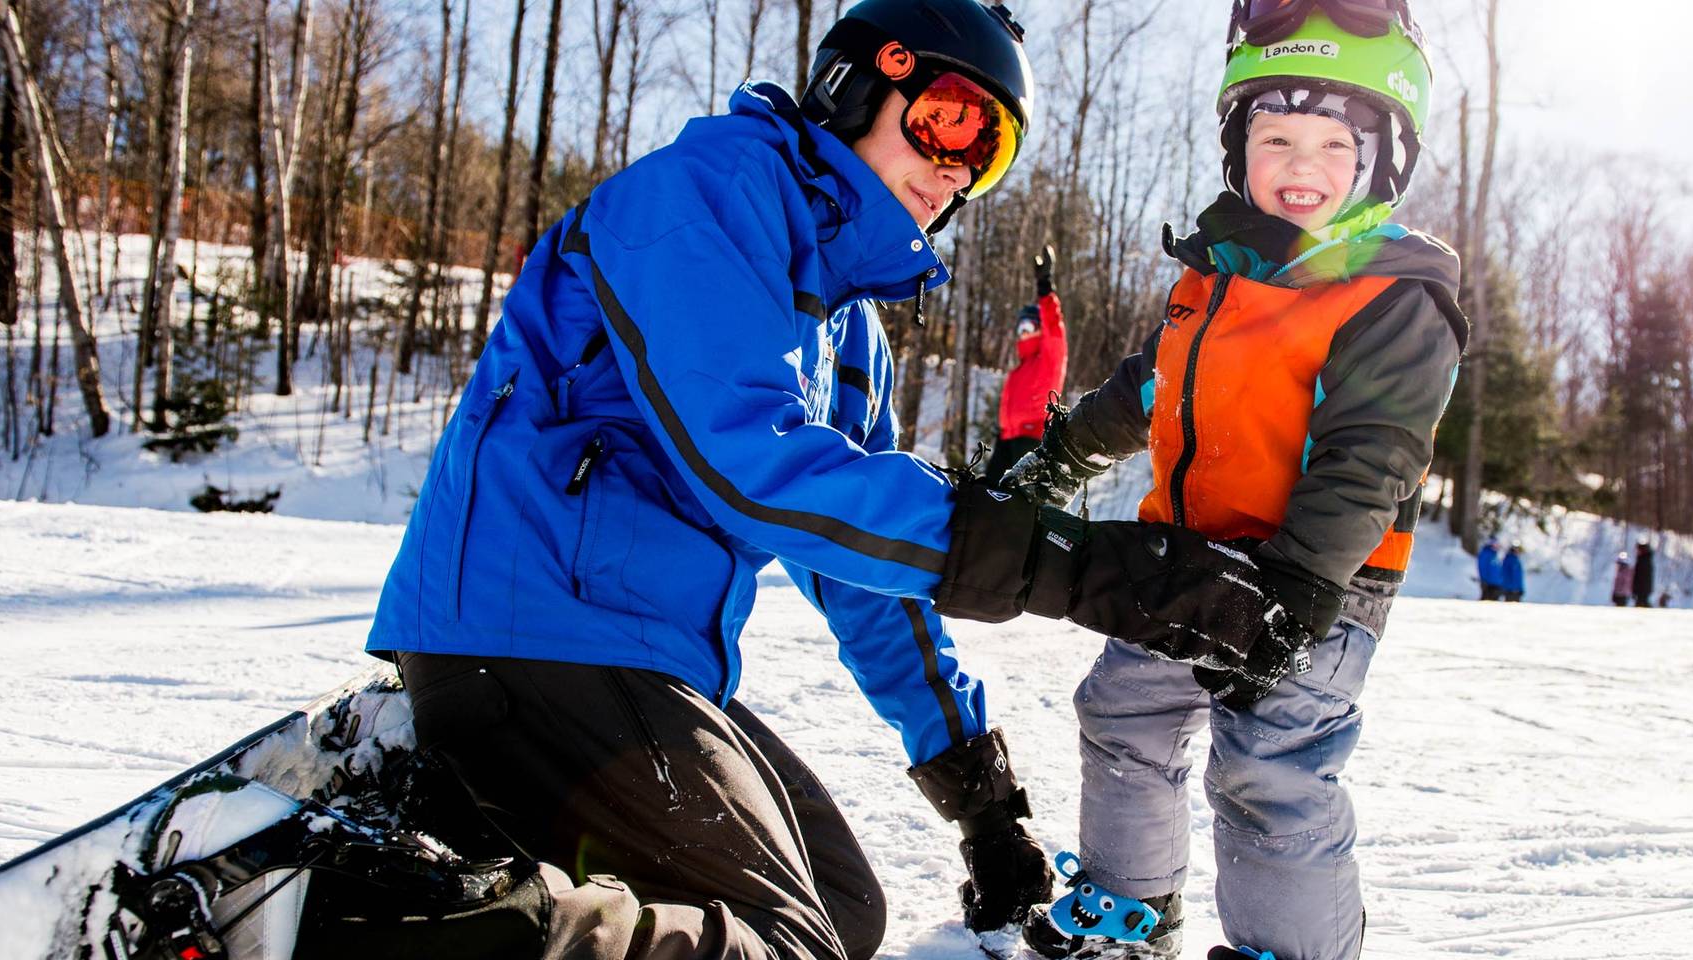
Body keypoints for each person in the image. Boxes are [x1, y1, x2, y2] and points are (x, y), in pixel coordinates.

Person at [350, 3, 1305, 959]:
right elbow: (752, 467)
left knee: (845, 910)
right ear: (852, 84)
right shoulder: (707, 194)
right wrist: (1074, 566)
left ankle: (449, 830)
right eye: (953, 116)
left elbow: (863, 575)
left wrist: (978, 795)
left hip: (641, 655)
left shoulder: (848, 330)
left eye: (993, 150)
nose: (959, 166)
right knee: (788, 946)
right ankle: (361, 911)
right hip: (528, 636)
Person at [998, 5, 1461, 959]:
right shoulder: (1214, 282)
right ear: (1236, 147)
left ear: (1383, 165)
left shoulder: (1393, 295)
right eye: (1277, 136)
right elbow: (1147, 391)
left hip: (1314, 584)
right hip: (1189, 561)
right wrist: (1053, 459)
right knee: (1120, 710)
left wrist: (1298, 591)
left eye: (1338, 144)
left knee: (1268, 768)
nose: (1303, 164)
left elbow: (1370, 454)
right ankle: (1131, 910)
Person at [986, 245, 1068, 480]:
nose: (1023, 333)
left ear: (1040, 328)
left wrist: (1045, 287)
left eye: (1029, 327)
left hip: (1031, 440)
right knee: (986, 500)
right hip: (1006, 439)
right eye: (1020, 328)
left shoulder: (1049, 358)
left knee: (1016, 506)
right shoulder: (1021, 368)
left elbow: (1054, 326)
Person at [1476, 536, 1503, 601]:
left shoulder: (1495, 555)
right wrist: (1484, 580)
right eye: (1494, 544)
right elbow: (1482, 568)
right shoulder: (1485, 553)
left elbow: (1499, 569)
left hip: (1496, 583)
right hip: (1488, 583)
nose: (1496, 545)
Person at [1632, 539, 1655, 607]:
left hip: (1642, 588)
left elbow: (1642, 576)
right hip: (1642, 588)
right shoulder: (1642, 559)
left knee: (1642, 603)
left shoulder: (1644, 560)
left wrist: (1636, 588)